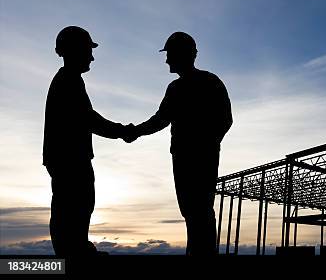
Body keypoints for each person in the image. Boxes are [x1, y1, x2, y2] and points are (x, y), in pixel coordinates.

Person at [124, 32, 232, 256]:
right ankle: (198, 253)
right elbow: (161, 120)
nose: (166, 60)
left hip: (196, 156)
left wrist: (206, 145)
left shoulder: (203, 83)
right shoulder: (182, 87)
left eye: (170, 54)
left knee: (199, 208)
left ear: (184, 55)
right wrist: (136, 131)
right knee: (192, 209)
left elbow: (225, 119)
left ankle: (202, 255)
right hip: (187, 156)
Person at [43, 26, 133, 257]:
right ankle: (72, 256)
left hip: (67, 156)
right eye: (87, 50)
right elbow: (89, 119)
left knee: (76, 205)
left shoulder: (68, 80)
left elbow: (87, 118)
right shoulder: (68, 81)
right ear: (74, 50)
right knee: (74, 205)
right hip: (70, 158)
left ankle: (76, 250)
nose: (91, 56)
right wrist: (122, 131)